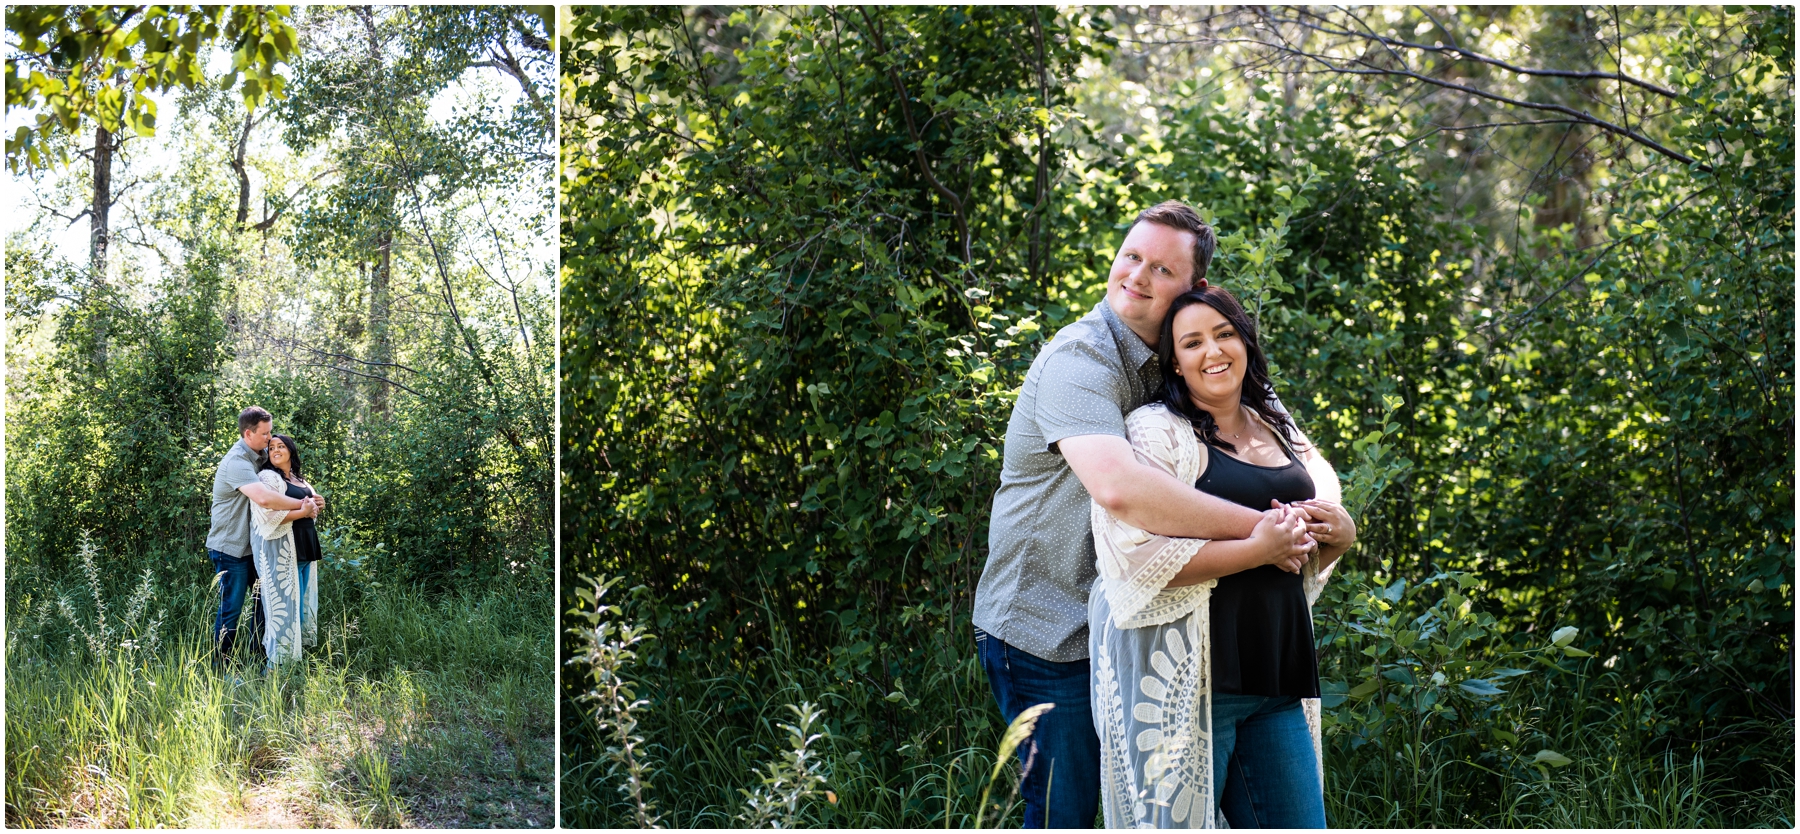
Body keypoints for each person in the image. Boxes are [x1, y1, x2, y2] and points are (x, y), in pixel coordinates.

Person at [972, 201, 1315, 827]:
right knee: (1066, 818)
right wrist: (1265, 533)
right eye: (1131, 255)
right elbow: (1121, 489)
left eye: (1161, 268)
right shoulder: (1080, 361)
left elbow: (1283, 450)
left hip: (1148, 629)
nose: (1136, 275)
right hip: (1050, 629)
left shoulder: (1190, 354)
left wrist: (1328, 521)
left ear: (1196, 289)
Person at [1090, 286, 1357, 828]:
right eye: (1192, 343)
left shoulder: (1274, 421)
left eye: (1224, 334)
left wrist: (1341, 533)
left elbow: (1304, 538)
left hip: (1277, 680)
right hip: (1193, 686)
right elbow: (1132, 562)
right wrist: (1255, 548)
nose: (1212, 352)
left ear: (1245, 341)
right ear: (1176, 363)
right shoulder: (1155, 429)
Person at [207, 406, 313, 669]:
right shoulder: (237, 462)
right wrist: (301, 508)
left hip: (257, 548)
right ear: (248, 433)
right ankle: (222, 667)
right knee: (231, 610)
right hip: (230, 548)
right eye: (265, 434)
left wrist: (311, 498)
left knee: (263, 606)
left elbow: (286, 478)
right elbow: (265, 498)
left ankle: (259, 659)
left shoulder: (260, 453)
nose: (269, 439)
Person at [253, 433, 324, 664]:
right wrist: (303, 511)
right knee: (286, 612)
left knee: (299, 609)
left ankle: (295, 660)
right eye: (271, 447)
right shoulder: (267, 478)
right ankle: (276, 666)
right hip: (286, 551)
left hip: (305, 550)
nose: (275, 450)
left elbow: (309, 508)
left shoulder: (297, 478)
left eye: (281, 446)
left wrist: (317, 504)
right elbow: (267, 516)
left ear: (291, 451)